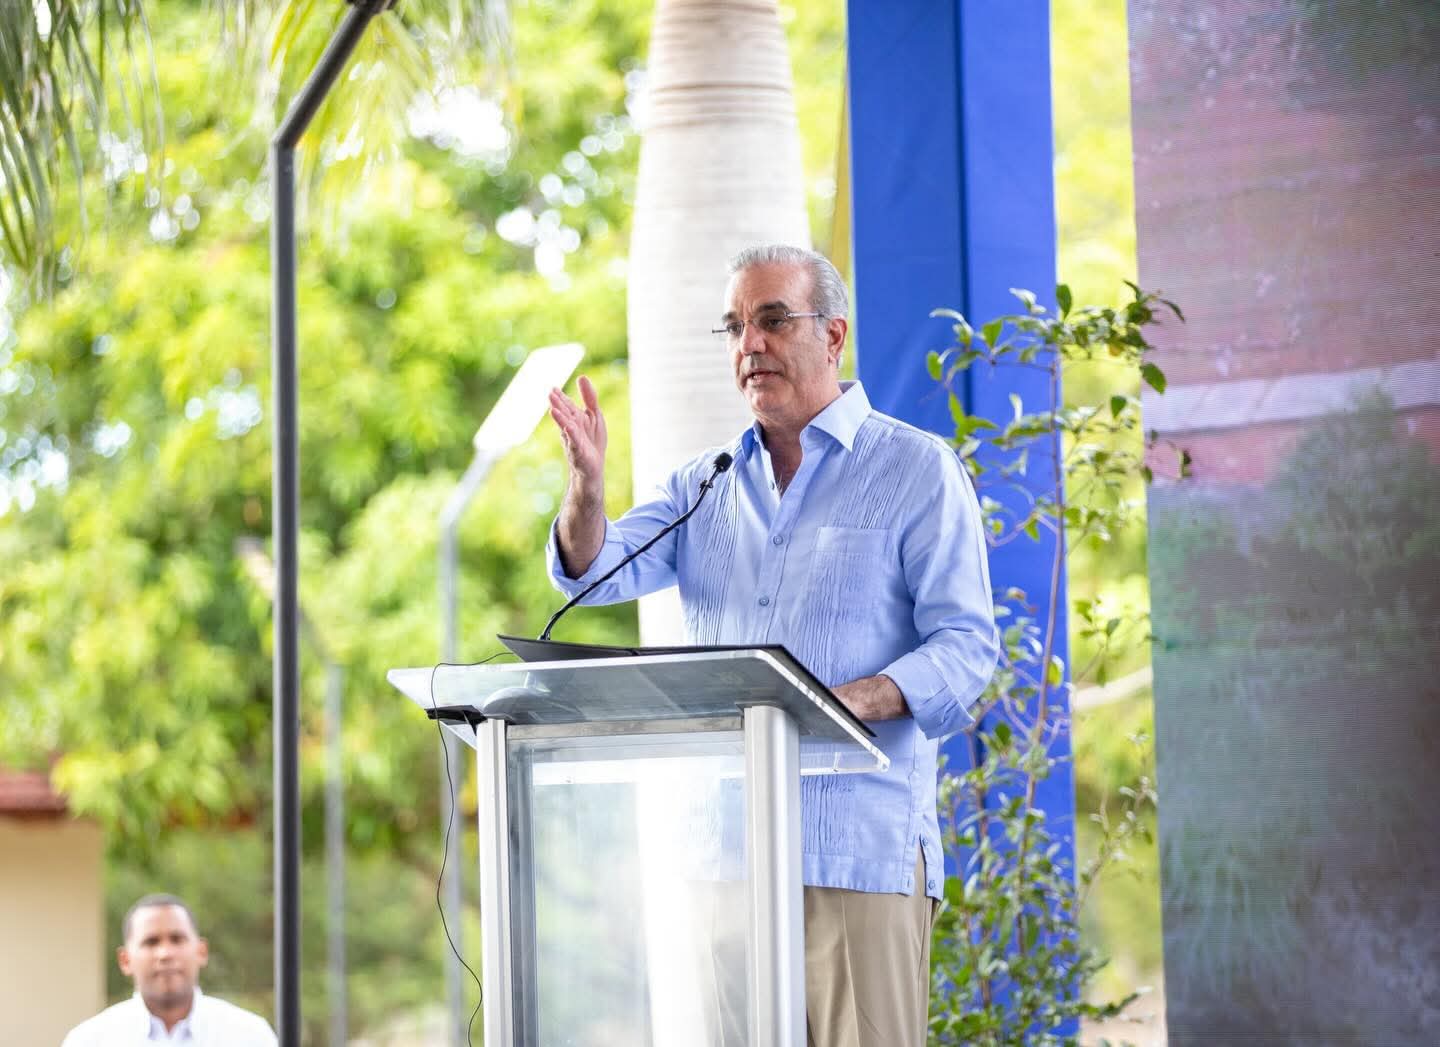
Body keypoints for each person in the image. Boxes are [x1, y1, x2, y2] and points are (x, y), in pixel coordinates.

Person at [546, 243, 998, 1046]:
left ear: (834, 335)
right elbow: (593, 569)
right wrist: (586, 489)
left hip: (857, 855)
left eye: (772, 320)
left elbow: (965, 646)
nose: (749, 344)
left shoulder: (917, 470)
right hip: (727, 857)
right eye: (733, 327)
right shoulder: (705, 484)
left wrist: (836, 703)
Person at [62, 894, 277, 1047]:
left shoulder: (250, 1036)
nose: (165, 953)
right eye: (151, 942)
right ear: (125, 960)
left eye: (177, 939)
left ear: (201, 951)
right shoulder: (89, 1040)